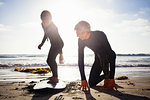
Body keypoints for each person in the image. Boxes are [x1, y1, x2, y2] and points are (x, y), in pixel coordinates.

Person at [74, 21, 117, 91]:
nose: (77, 35)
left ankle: (108, 76)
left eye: (78, 33)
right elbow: (80, 59)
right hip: (98, 59)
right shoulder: (81, 41)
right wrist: (83, 79)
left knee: (105, 56)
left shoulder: (100, 35)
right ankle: (107, 74)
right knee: (91, 83)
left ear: (84, 31)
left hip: (108, 57)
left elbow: (111, 54)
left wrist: (111, 78)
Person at [38, 10, 64, 83]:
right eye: (44, 20)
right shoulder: (43, 25)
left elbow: (58, 41)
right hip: (53, 44)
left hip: (59, 44)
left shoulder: (54, 27)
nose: (45, 22)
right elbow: (46, 34)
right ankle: (54, 76)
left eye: (47, 20)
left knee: (51, 60)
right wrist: (42, 43)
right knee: (49, 60)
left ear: (50, 19)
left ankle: (55, 77)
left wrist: (61, 54)